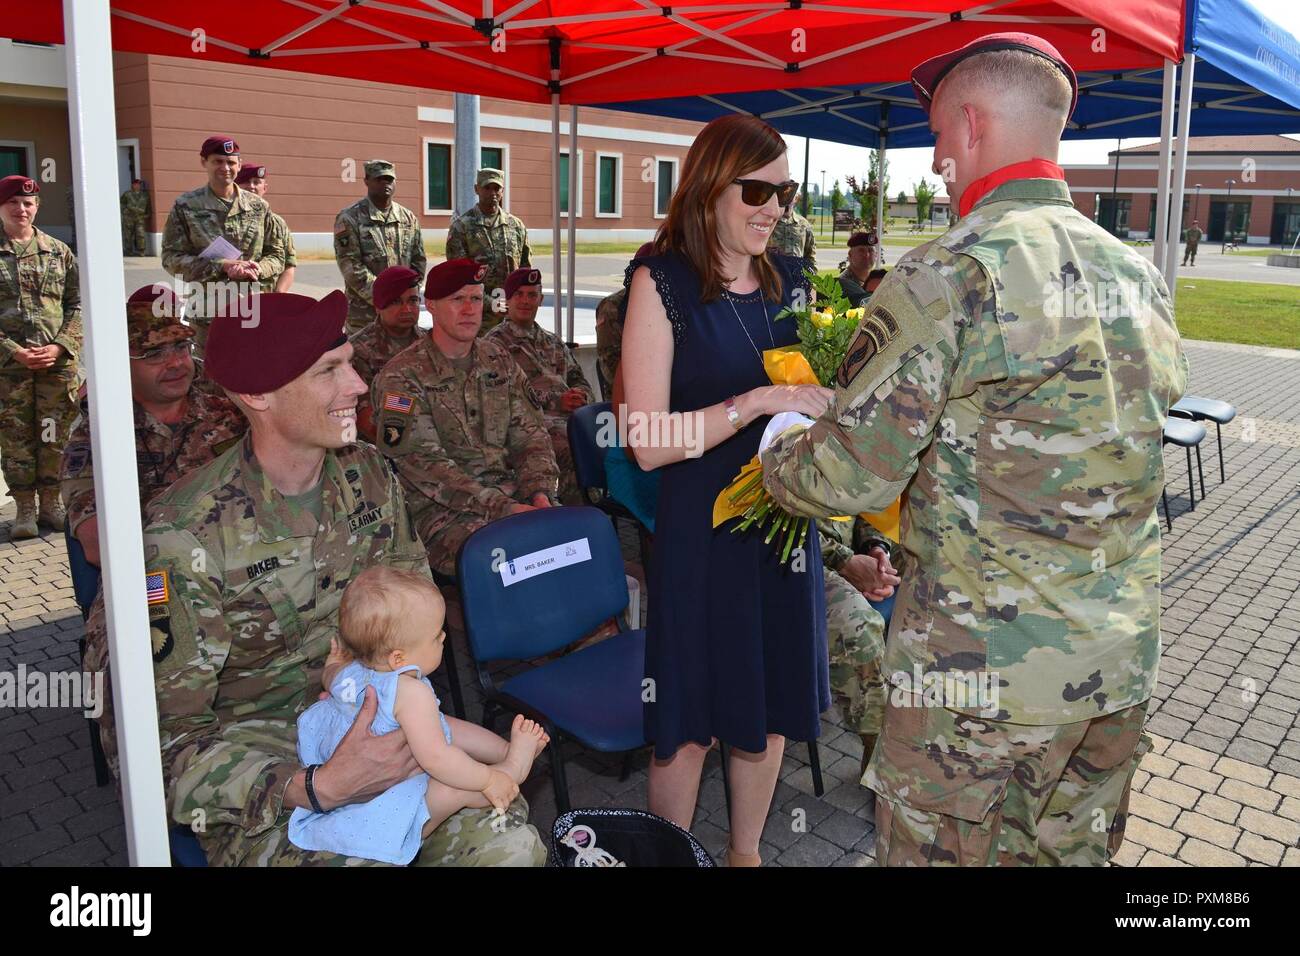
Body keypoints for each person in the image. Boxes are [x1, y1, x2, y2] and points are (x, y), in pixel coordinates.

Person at [762, 33, 1188, 867]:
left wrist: (778, 454)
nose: (933, 161)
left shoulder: (950, 272)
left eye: (936, 137)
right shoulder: (1136, 274)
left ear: (968, 124)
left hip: (977, 677)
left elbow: (852, 470)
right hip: (1112, 667)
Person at [134, 289, 545, 866]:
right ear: (258, 394)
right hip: (271, 777)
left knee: (508, 844)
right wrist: (320, 786)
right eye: (330, 371)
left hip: (387, 725)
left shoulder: (370, 474)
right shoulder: (183, 536)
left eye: (351, 363)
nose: (357, 384)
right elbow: (161, 742)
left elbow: (417, 615)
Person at [621, 115, 833, 867]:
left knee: (768, 709)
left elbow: (821, 396)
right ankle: (671, 859)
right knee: (687, 722)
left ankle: (746, 856)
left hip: (782, 531)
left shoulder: (796, 281)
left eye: (786, 190)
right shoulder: (662, 281)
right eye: (758, 190)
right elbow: (644, 440)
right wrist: (756, 404)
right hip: (701, 539)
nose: (776, 206)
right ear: (711, 186)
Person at [289, 566, 549, 864]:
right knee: (456, 785)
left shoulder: (353, 671)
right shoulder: (412, 693)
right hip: (390, 806)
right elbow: (437, 759)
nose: (443, 637)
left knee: (445, 726)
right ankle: (512, 768)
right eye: (436, 635)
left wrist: (333, 663)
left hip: (349, 774)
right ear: (398, 658)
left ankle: (504, 749)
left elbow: (331, 677)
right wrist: (486, 778)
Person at [373, 259, 559, 578]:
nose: (470, 309)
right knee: (517, 562)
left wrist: (539, 492)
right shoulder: (401, 378)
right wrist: (505, 508)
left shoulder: (498, 359)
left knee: (572, 545)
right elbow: (426, 467)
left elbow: (531, 437)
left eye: (476, 298)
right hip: (439, 511)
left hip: (511, 496)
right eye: (457, 299)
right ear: (431, 305)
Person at [61, 284, 246, 569]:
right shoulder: (98, 438)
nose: (175, 363)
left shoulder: (232, 416)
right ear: (120, 363)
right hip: (149, 582)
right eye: (154, 354)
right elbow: (99, 545)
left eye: (181, 347)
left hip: (243, 572)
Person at [0, 174, 81, 539]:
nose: (21, 209)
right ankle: (24, 510)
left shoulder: (58, 251)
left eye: (28, 203)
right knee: (16, 438)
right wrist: (13, 352)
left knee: (56, 435)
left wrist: (61, 345)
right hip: (9, 369)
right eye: (13, 202)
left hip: (56, 366)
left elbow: (76, 305)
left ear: (37, 207)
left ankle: (51, 504)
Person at [161, 137, 286, 360]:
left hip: (254, 312)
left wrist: (258, 268)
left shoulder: (258, 206)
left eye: (231, 162)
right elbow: (171, 258)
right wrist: (221, 266)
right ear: (204, 162)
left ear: (239, 164)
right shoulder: (186, 206)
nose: (225, 168)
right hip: (208, 314)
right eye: (218, 161)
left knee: (254, 380)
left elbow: (277, 255)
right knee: (210, 382)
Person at [485, 267, 593, 504]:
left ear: (540, 300)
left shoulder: (552, 341)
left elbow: (578, 378)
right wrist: (557, 401)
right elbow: (503, 396)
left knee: (612, 439)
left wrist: (581, 395)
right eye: (519, 295)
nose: (525, 301)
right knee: (572, 448)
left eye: (532, 295)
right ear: (507, 299)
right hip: (530, 424)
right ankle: (574, 515)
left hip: (570, 418)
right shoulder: (494, 345)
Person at [819, 516, 900, 780]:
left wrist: (877, 549)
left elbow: (869, 501)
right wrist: (844, 561)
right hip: (794, 560)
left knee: (933, 548)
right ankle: (878, 751)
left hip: (850, 547)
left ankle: (935, 720)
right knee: (859, 626)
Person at [335, 160, 427, 334]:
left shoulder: (408, 218)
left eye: (389, 180)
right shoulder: (349, 218)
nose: (385, 184)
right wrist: (384, 296)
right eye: (379, 179)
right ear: (367, 181)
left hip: (403, 312)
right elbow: (350, 266)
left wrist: (407, 295)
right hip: (365, 316)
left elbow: (419, 260)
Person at [445, 168, 530, 331]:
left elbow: (525, 270)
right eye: (487, 188)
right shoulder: (462, 227)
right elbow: (459, 278)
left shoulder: (516, 226)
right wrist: (491, 303)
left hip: (513, 315)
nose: (492, 192)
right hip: (479, 319)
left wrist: (518, 300)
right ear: (476, 189)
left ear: (502, 191)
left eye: (496, 188)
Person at [349, 265, 422, 442]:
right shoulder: (358, 350)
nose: (407, 309)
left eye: (413, 300)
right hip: (383, 446)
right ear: (378, 306)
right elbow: (364, 415)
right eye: (396, 301)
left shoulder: (430, 342)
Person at [234, 162, 296, 292]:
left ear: (264, 188)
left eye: (257, 182)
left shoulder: (277, 222)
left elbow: (289, 264)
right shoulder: (225, 219)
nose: (251, 187)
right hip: (230, 297)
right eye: (245, 182)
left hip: (265, 299)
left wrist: (278, 296)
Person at [767, 197, 818, 276]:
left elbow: (810, 254)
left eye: (791, 196)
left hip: (796, 277)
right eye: (784, 196)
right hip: (772, 276)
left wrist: (812, 277)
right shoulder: (769, 222)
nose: (787, 201)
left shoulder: (804, 224)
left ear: (796, 199)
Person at [837, 230, 880, 306]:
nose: (866, 255)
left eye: (870, 250)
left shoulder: (876, 282)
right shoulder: (843, 285)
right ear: (850, 255)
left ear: (876, 255)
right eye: (861, 251)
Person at [120, 178, 150, 257]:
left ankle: (141, 251)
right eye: (136, 184)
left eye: (139, 184)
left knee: (140, 234)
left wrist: (147, 214)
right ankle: (128, 251)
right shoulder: (127, 194)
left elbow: (148, 206)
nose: (138, 185)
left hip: (140, 218)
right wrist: (125, 212)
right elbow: (121, 204)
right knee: (128, 235)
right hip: (129, 218)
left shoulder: (145, 195)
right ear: (133, 185)